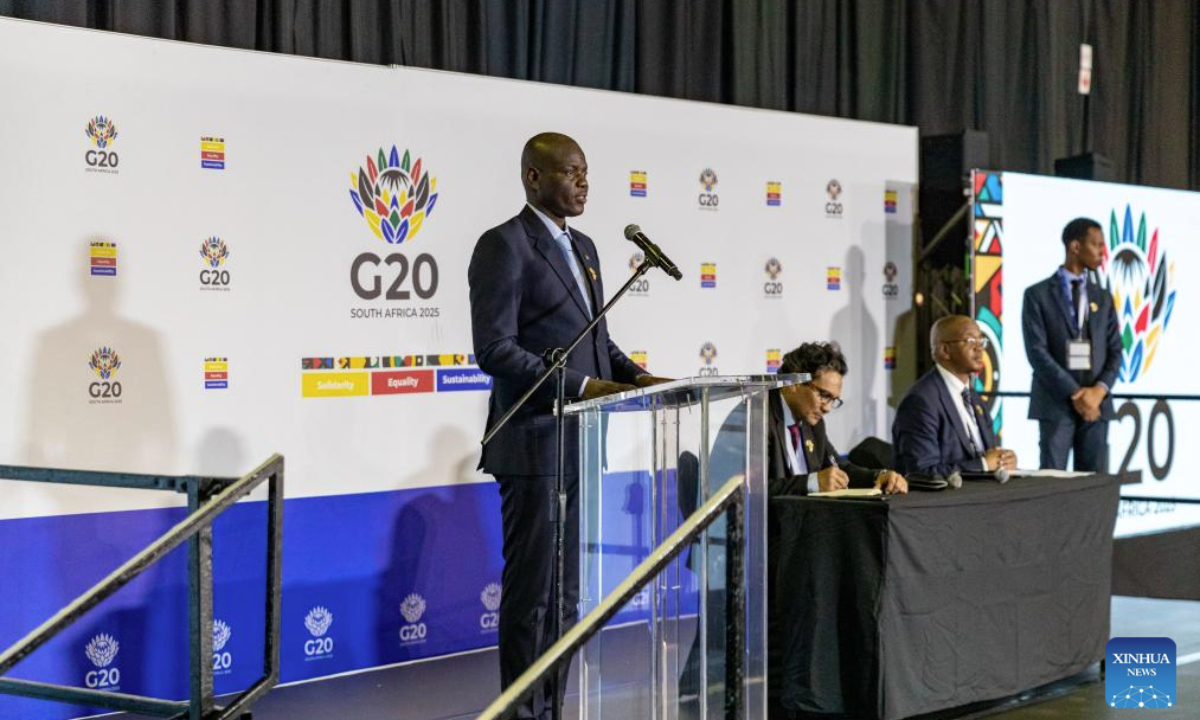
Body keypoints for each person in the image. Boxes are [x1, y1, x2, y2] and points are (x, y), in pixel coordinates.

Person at [468, 132, 664, 720]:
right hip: (532, 446)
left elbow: (597, 342)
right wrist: (582, 387)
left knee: (567, 598)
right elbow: (495, 348)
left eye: (586, 173)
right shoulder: (504, 245)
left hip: (582, 442)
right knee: (534, 597)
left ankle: (551, 709)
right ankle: (521, 713)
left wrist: (642, 379)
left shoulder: (585, 247)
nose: (583, 183)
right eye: (571, 172)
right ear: (533, 177)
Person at [1021, 217, 1122, 471]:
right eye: (1096, 245)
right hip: (1056, 403)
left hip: (1096, 407)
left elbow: (1116, 350)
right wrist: (1076, 394)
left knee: (1092, 488)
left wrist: (1097, 392)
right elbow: (1036, 351)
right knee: (1053, 485)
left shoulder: (1103, 297)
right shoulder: (1037, 294)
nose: (1102, 252)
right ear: (1075, 247)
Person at [893, 315, 1018, 477]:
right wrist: (983, 465)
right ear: (945, 350)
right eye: (970, 341)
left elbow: (989, 453)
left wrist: (1004, 460)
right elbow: (921, 472)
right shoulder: (920, 401)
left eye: (981, 340)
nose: (979, 348)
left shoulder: (973, 396)